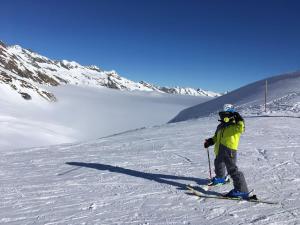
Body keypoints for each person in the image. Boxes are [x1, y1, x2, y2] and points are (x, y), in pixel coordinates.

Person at [204, 104, 249, 199]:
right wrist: (210, 141)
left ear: (231, 115)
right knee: (218, 163)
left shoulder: (235, 126)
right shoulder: (220, 126)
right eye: (222, 115)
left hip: (230, 150)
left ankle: (241, 190)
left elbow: (242, 128)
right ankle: (220, 178)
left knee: (232, 169)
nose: (223, 117)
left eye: (226, 115)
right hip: (219, 149)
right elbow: (216, 137)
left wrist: (239, 119)